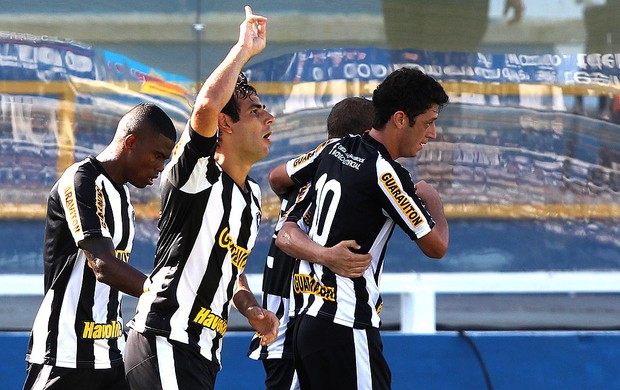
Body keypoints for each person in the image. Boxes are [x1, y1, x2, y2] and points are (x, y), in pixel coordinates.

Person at [123, 7, 280, 390]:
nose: (269, 118)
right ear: (226, 124)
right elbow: (207, 105)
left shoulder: (253, 196)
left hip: (203, 352)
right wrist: (243, 49)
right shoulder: (197, 174)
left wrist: (250, 307)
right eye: (256, 111)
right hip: (164, 338)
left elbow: (228, 264)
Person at [270, 67, 450, 389]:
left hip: (306, 327)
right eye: (428, 122)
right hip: (347, 324)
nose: (433, 133)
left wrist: (322, 254)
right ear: (399, 119)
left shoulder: (333, 150)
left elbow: (283, 218)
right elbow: (436, 246)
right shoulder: (386, 173)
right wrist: (431, 199)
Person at [22, 102, 178, 390]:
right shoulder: (82, 180)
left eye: (166, 160)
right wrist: (168, 298)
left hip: (112, 358)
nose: (161, 167)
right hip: (65, 356)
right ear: (130, 142)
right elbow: (103, 265)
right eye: (158, 156)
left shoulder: (123, 195)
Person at [247, 97, 375, 390]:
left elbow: (277, 177)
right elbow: (285, 236)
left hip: (291, 326)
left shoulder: (313, 173)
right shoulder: (339, 176)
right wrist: (327, 256)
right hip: (291, 325)